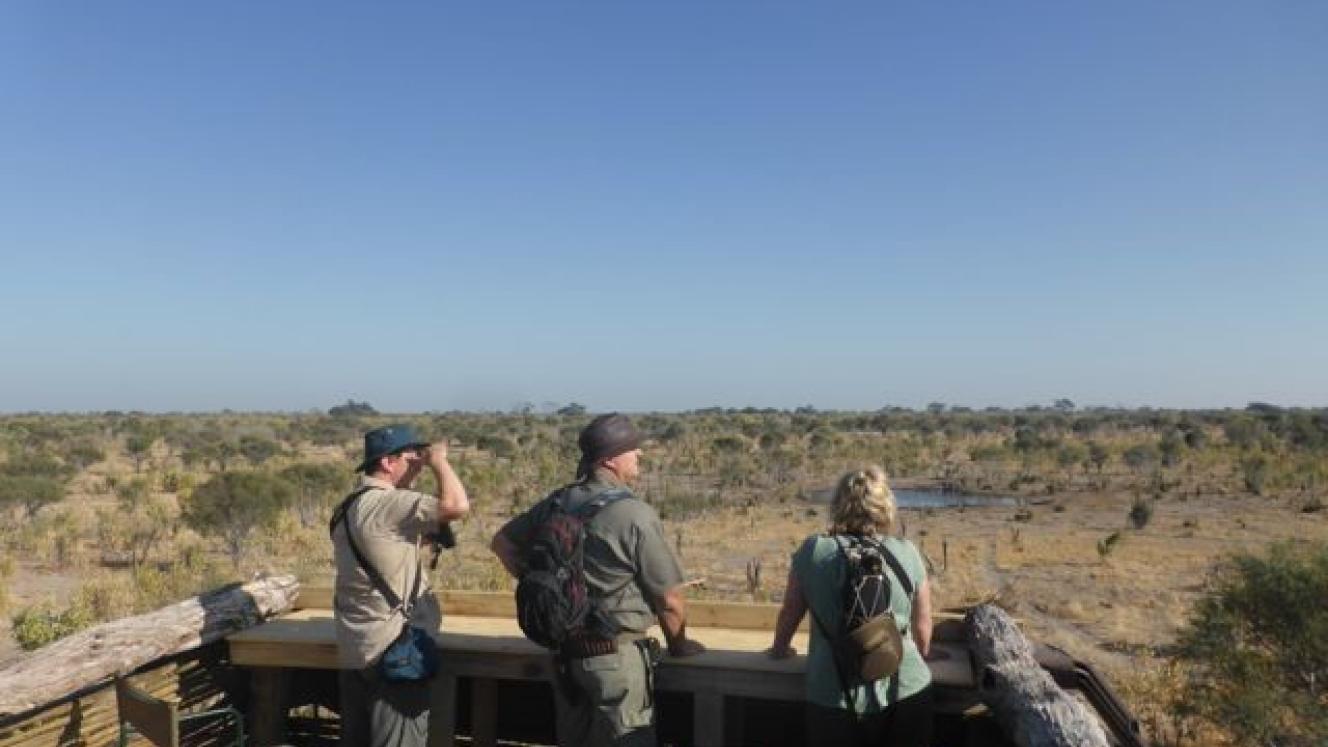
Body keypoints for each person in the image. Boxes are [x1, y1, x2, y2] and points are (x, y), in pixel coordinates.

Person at [490, 413, 705, 747]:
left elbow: (501, 543)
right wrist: (679, 645)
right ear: (610, 460)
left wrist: (535, 579)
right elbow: (670, 599)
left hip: (565, 656)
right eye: (632, 449)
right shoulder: (635, 514)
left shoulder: (558, 502)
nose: (640, 455)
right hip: (615, 657)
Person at [768, 466, 934, 746]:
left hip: (833, 695)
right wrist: (923, 651)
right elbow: (923, 628)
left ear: (838, 506)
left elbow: (790, 614)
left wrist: (779, 649)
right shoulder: (907, 551)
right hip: (906, 690)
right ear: (886, 506)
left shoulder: (814, 550)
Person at [332, 424, 470, 747]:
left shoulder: (348, 506)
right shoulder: (389, 504)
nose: (417, 464)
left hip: (357, 647)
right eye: (412, 458)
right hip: (395, 654)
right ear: (387, 463)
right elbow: (457, 506)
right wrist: (439, 462)